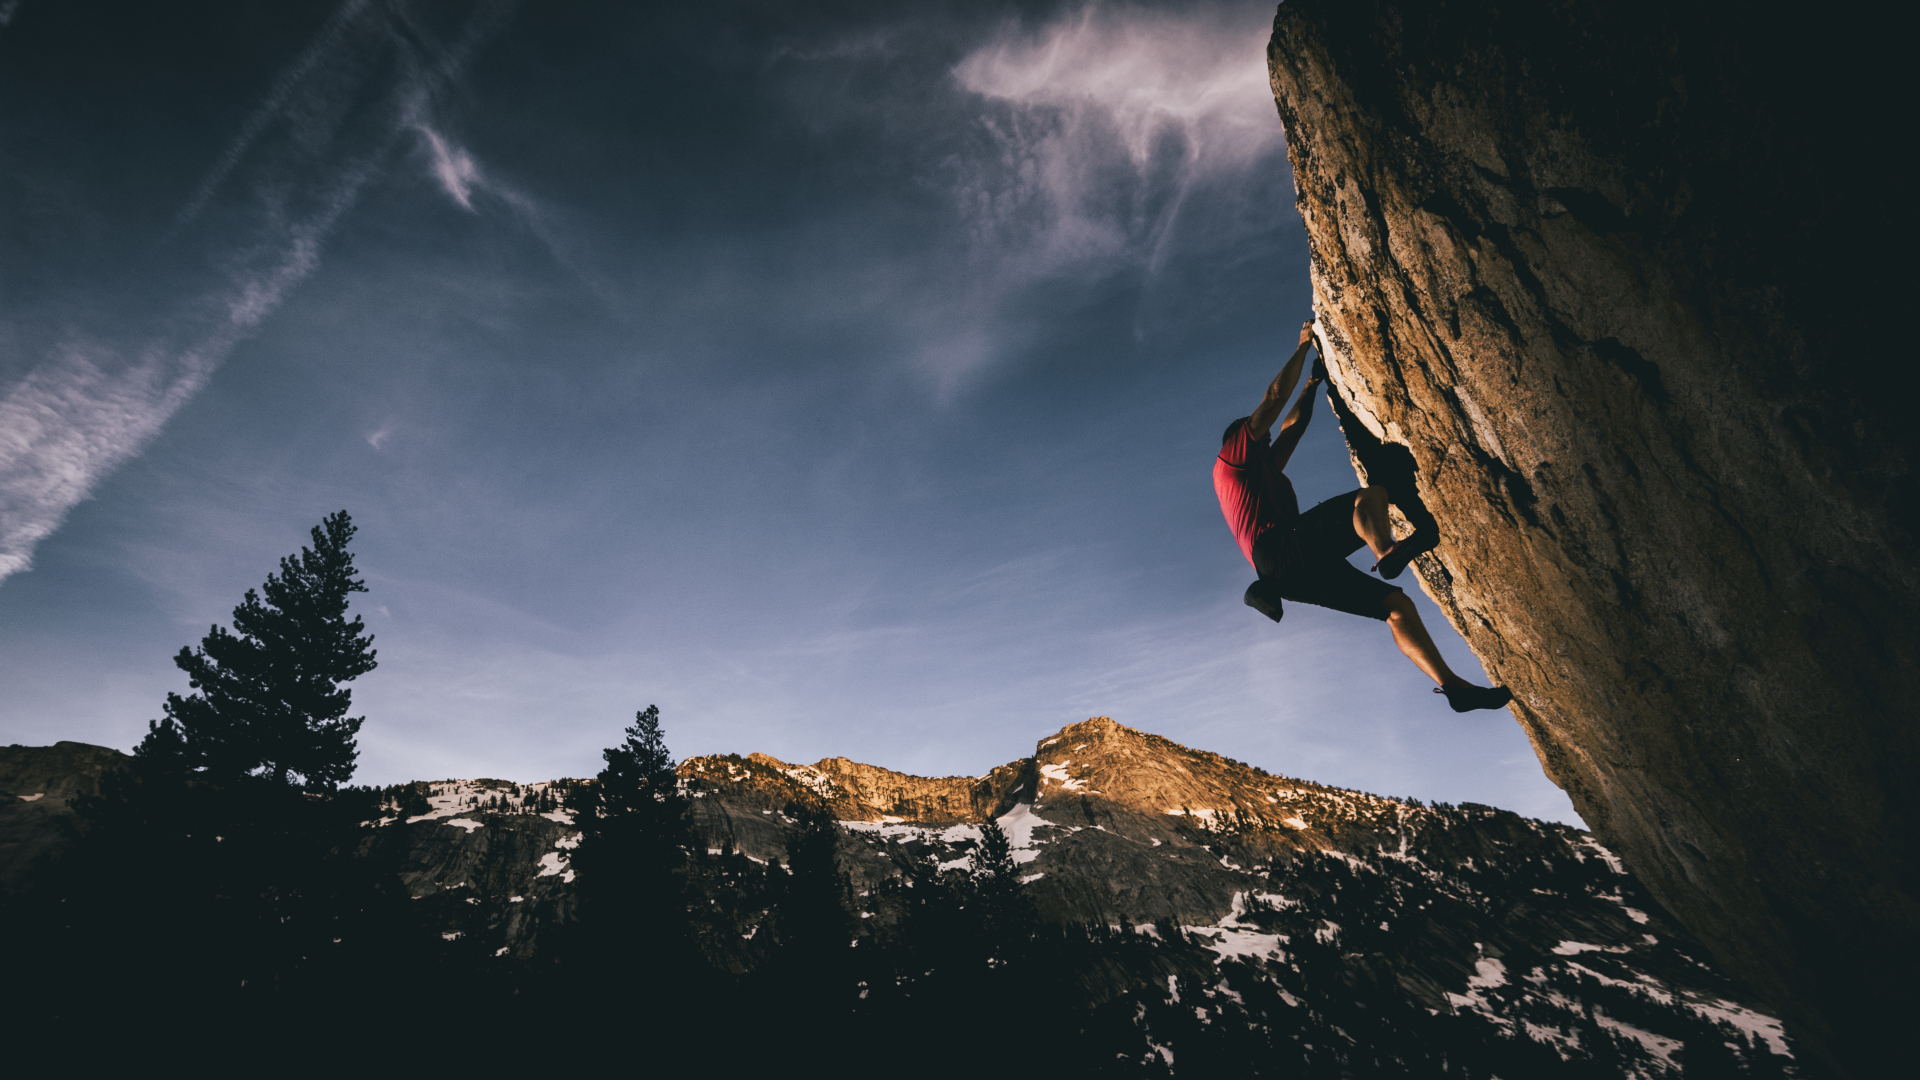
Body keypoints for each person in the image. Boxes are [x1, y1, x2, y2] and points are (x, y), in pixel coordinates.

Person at [1215, 321, 1513, 712]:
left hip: (1287, 574)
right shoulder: (1231, 460)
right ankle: (1386, 552)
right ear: (1242, 436)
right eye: (1261, 436)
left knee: (1396, 606)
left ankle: (1454, 688)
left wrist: (1312, 385)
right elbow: (1272, 401)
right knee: (1368, 498)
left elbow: (1292, 428)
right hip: (1277, 550)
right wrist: (1303, 348)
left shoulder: (1262, 469)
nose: (1268, 439)